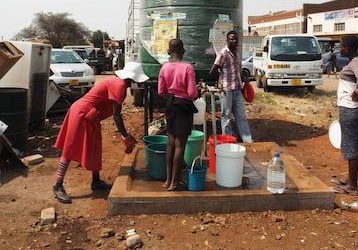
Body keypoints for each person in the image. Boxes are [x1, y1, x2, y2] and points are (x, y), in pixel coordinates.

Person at [52, 62, 149, 203]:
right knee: (70, 148)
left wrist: (125, 135)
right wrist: (125, 136)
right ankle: (58, 185)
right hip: (82, 113)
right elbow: (117, 115)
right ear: (133, 79)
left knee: (95, 146)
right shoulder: (120, 86)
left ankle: (96, 182)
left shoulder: (118, 83)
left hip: (91, 115)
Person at [158, 38, 199, 191]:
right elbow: (192, 93)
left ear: (169, 52)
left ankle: (168, 180)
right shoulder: (188, 68)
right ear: (183, 51)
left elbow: (161, 91)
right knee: (180, 144)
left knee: (170, 143)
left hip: (170, 104)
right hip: (183, 106)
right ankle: (175, 181)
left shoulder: (164, 68)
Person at [333, 35, 358, 196]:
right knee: (349, 143)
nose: (339, 49)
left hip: (351, 109)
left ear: (347, 48)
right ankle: (350, 179)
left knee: (351, 145)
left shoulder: (355, 63)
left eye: (340, 46)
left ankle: (352, 186)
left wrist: (356, 92)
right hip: (353, 108)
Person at [209, 30, 253, 143]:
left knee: (241, 116)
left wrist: (243, 79)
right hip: (226, 89)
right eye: (231, 39)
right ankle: (227, 140)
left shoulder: (237, 53)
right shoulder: (223, 53)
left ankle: (248, 140)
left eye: (235, 39)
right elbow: (213, 70)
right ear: (227, 40)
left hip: (237, 88)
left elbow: (237, 70)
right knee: (226, 116)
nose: (234, 41)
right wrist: (222, 79)